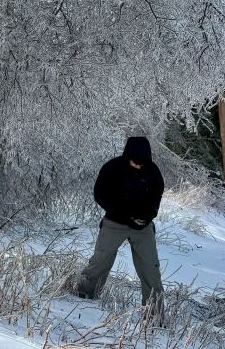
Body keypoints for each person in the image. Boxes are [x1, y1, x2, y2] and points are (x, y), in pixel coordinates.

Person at [76, 136, 165, 324]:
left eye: (143, 163)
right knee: (100, 260)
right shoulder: (112, 168)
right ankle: (83, 296)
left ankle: (153, 314)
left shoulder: (153, 171)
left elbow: (156, 196)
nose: (140, 166)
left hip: (143, 227)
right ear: (127, 156)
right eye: (136, 162)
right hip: (114, 223)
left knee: (151, 268)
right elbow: (100, 195)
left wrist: (148, 216)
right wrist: (125, 215)